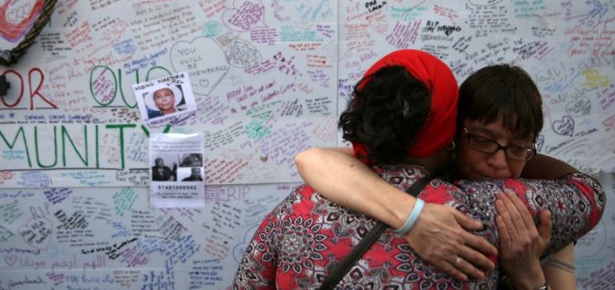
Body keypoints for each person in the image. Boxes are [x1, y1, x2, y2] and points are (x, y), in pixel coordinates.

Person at [232, 50, 604, 289]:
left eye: (516, 147)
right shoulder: (490, 211)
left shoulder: (298, 205)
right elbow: (588, 191)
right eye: (483, 141)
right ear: (451, 132)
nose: (499, 162)